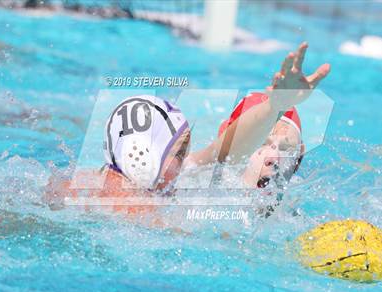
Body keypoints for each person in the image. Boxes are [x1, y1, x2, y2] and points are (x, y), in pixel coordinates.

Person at [45, 42, 330, 215]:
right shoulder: (191, 182)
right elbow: (227, 151)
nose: (273, 158)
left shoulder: (293, 211)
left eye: (286, 148)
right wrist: (274, 106)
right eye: (263, 143)